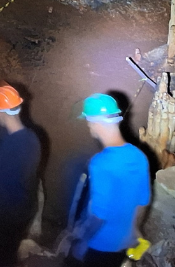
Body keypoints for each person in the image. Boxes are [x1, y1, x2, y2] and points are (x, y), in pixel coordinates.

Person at [64, 93, 150, 267]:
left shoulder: (100, 163)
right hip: (123, 244)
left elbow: (99, 214)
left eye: (89, 121)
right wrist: (133, 231)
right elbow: (143, 201)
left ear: (94, 122)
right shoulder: (139, 155)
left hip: (100, 245)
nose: (89, 125)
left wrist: (82, 242)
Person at [0, 82, 42, 267]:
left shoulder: (9, 146)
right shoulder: (33, 137)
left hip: (8, 212)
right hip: (26, 208)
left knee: (3, 259)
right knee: (11, 253)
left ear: (0, 113)